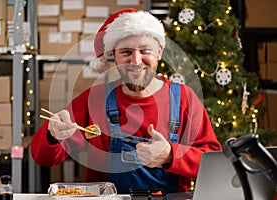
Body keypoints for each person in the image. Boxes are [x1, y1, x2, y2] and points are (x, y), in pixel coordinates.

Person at [31, 8, 222, 194]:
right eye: (126, 52)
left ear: (160, 51)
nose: (136, 61)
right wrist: (52, 134)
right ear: (114, 54)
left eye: (145, 50)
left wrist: (171, 155)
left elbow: (214, 163)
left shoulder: (184, 99)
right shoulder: (95, 99)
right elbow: (44, 158)